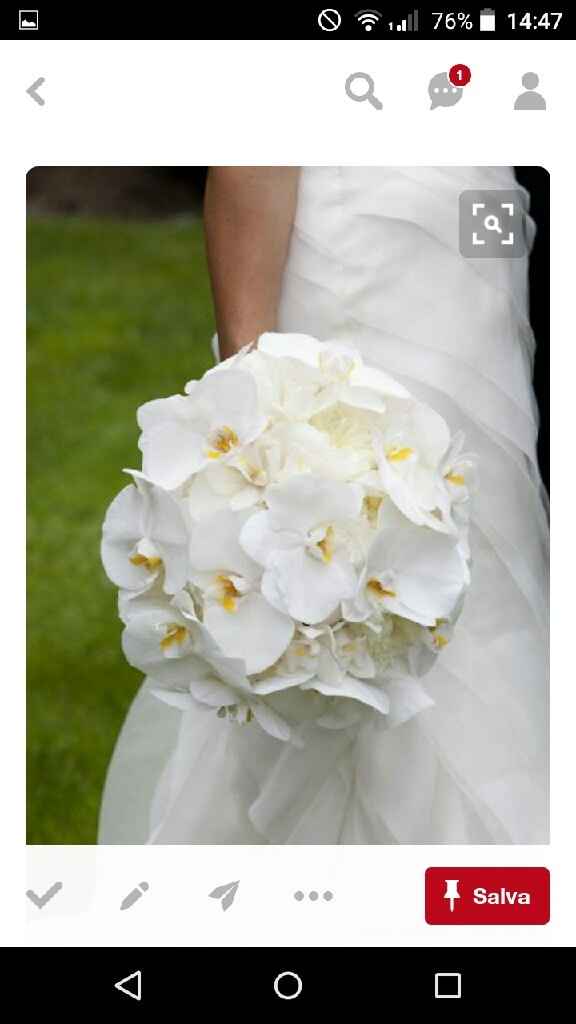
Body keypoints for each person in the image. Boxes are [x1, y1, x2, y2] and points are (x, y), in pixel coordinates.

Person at [99, 166, 549, 844]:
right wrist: (257, 408)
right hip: (357, 249)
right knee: (339, 554)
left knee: (484, 565)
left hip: (468, 247)